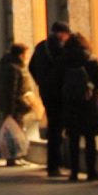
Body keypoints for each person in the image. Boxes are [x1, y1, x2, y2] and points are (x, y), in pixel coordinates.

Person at [60, 33, 98, 181]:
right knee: (90, 140)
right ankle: (91, 172)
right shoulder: (90, 60)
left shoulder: (63, 61)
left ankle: (74, 172)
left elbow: (57, 83)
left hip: (71, 105)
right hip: (89, 105)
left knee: (73, 140)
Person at [30, 20, 72, 177]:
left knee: (54, 126)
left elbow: (31, 67)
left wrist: (41, 82)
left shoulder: (41, 47)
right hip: (58, 92)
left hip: (46, 92)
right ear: (62, 33)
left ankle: (53, 163)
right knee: (57, 128)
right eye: (67, 34)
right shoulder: (60, 48)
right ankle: (54, 165)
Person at [0, 42, 34, 166]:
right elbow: (12, 89)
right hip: (15, 106)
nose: (27, 57)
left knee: (13, 131)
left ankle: (14, 156)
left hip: (12, 105)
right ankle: (13, 156)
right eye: (26, 54)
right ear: (21, 54)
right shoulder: (13, 68)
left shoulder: (6, 66)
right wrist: (11, 109)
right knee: (14, 131)